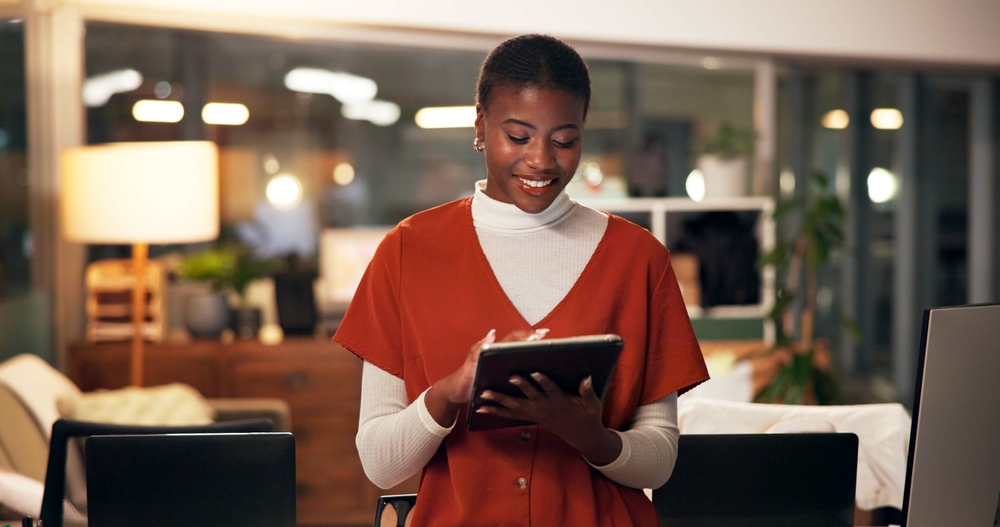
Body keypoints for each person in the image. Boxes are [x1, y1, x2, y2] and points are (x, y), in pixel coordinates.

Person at [333, 34, 709, 527]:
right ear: (480, 127)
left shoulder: (639, 260)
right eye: (518, 135)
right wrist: (449, 392)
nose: (541, 160)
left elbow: (660, 460)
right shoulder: (407, 252)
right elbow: (381, 466)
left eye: (564, 139)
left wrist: (589, 434)